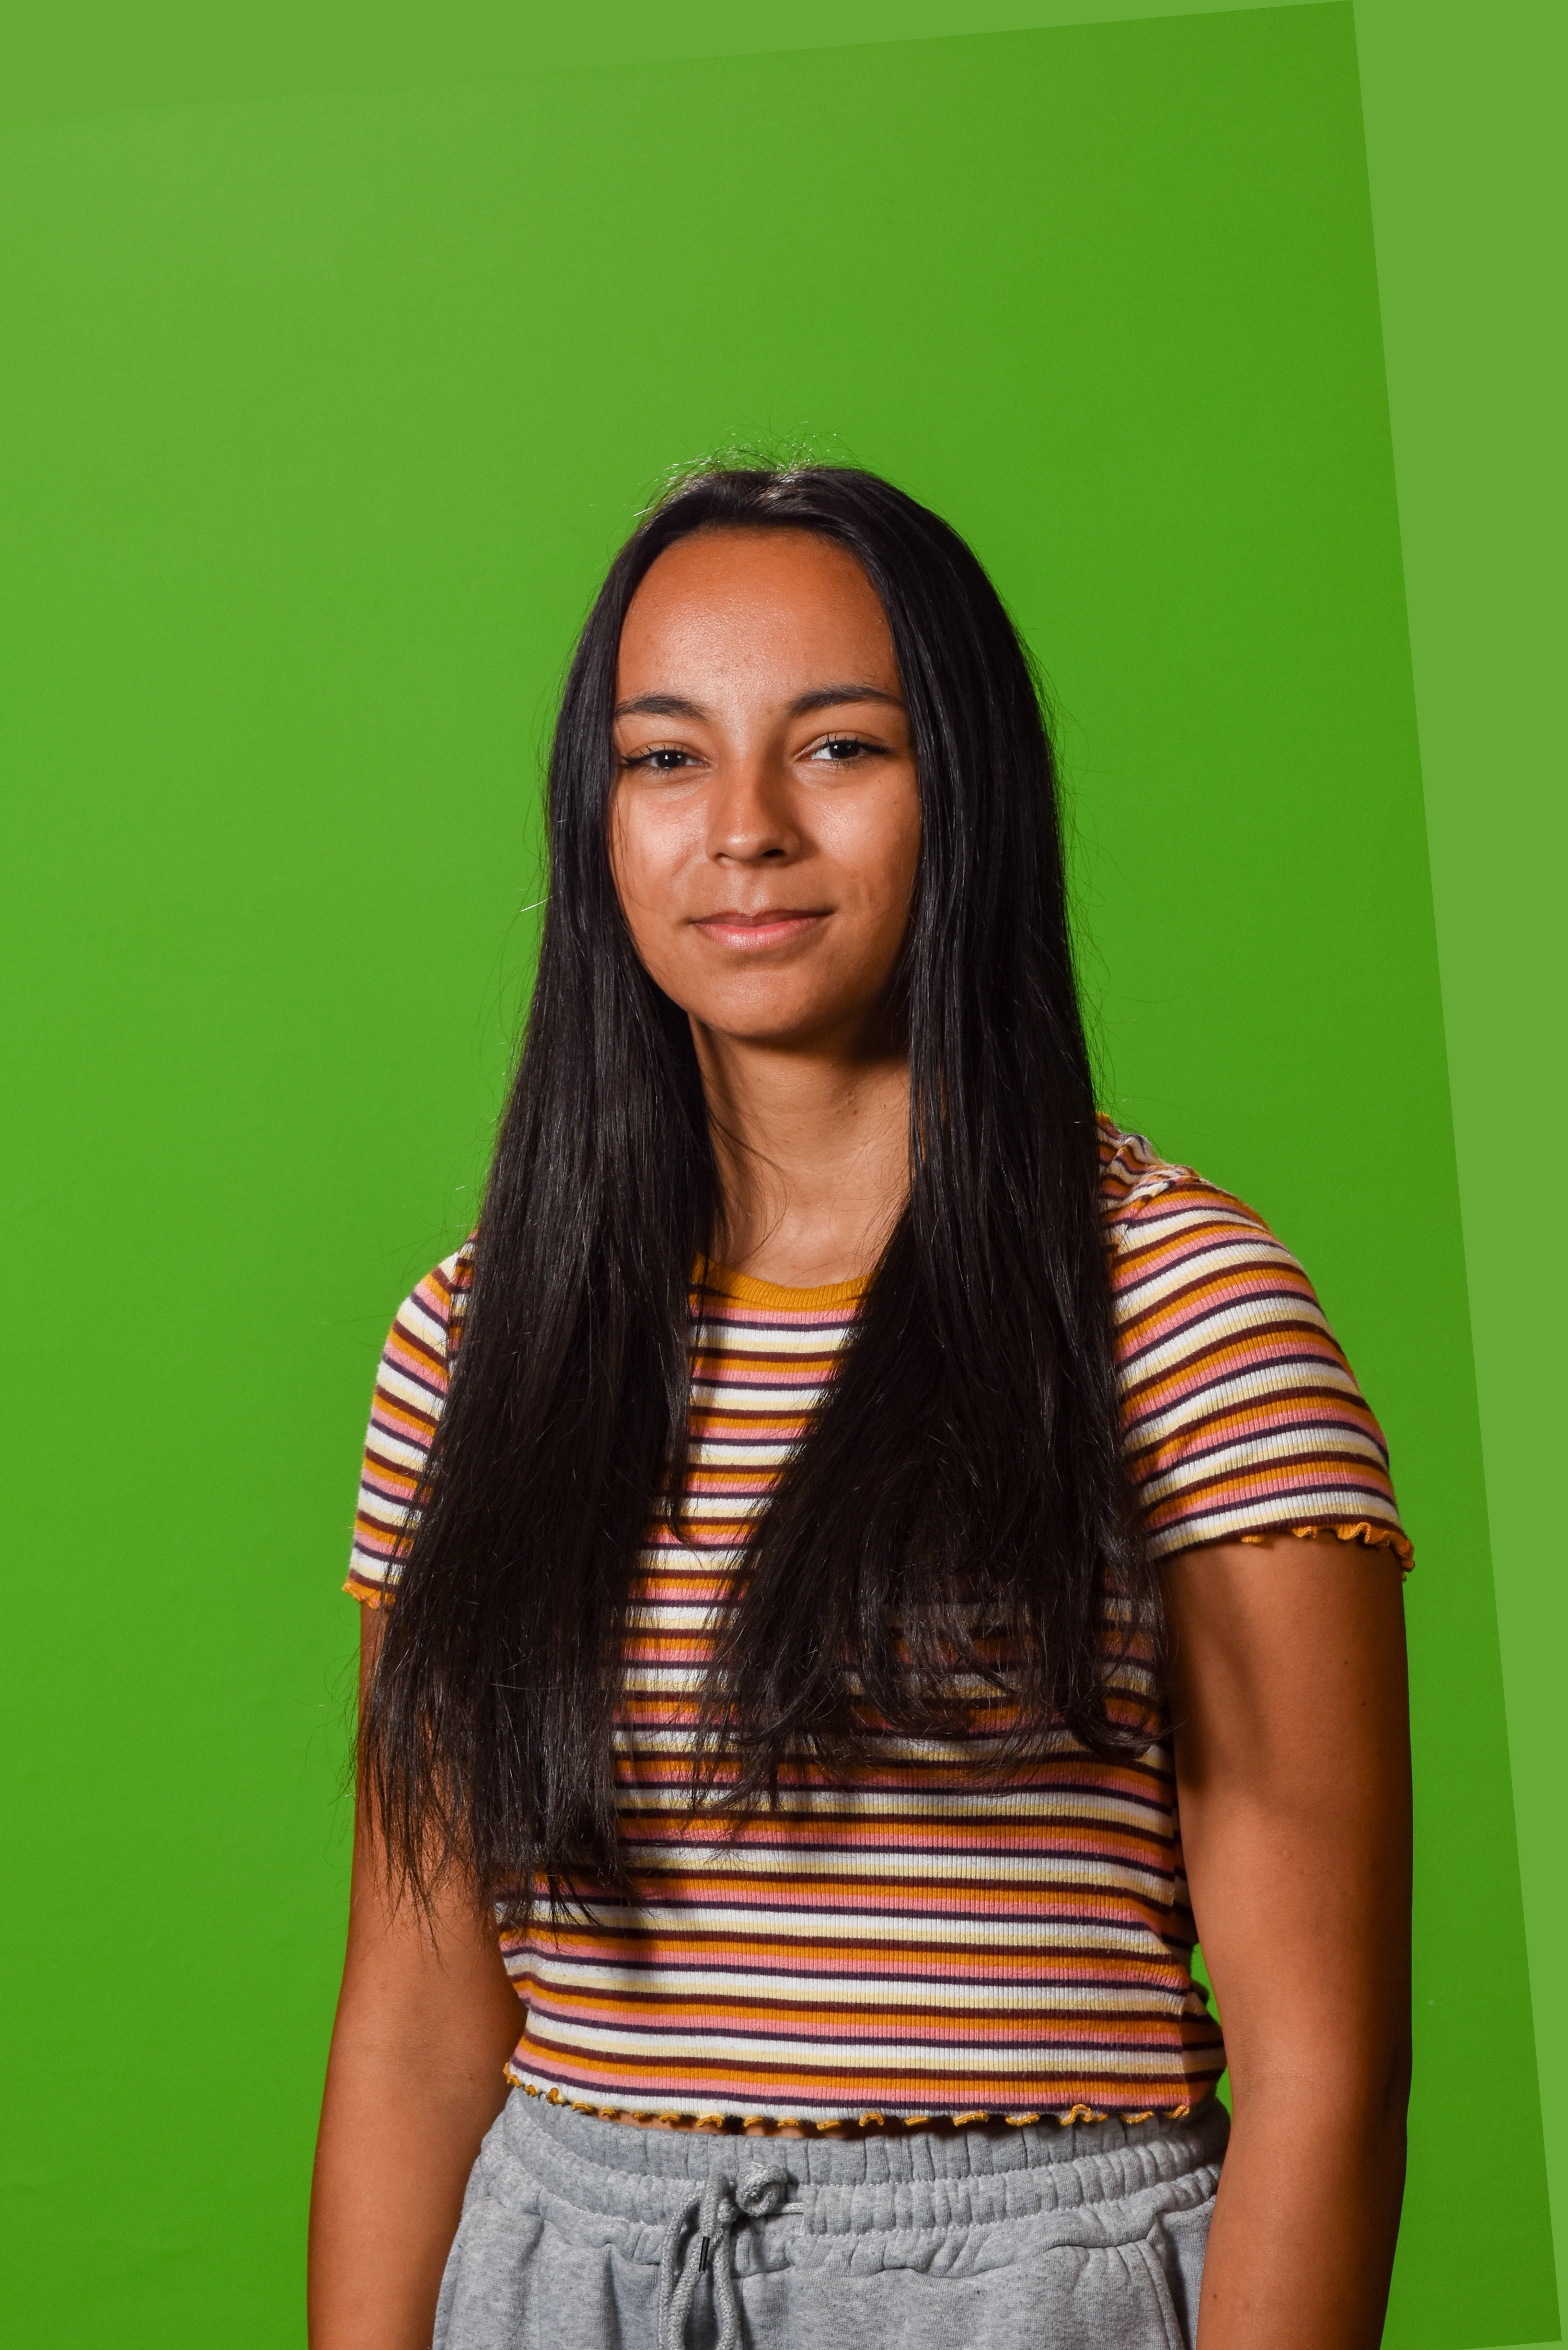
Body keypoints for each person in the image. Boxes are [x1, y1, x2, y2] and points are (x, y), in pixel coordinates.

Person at [308, 465, 1412, 2350]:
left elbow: (1327, 2071)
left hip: (1020, 2288)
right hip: (560, 2272)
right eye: (667, 759)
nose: (744, 827)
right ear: (597, 820)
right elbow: (415, 2029)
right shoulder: (476, 1340)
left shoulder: (1181, 1311)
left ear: (962, 792)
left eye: (838, 747)